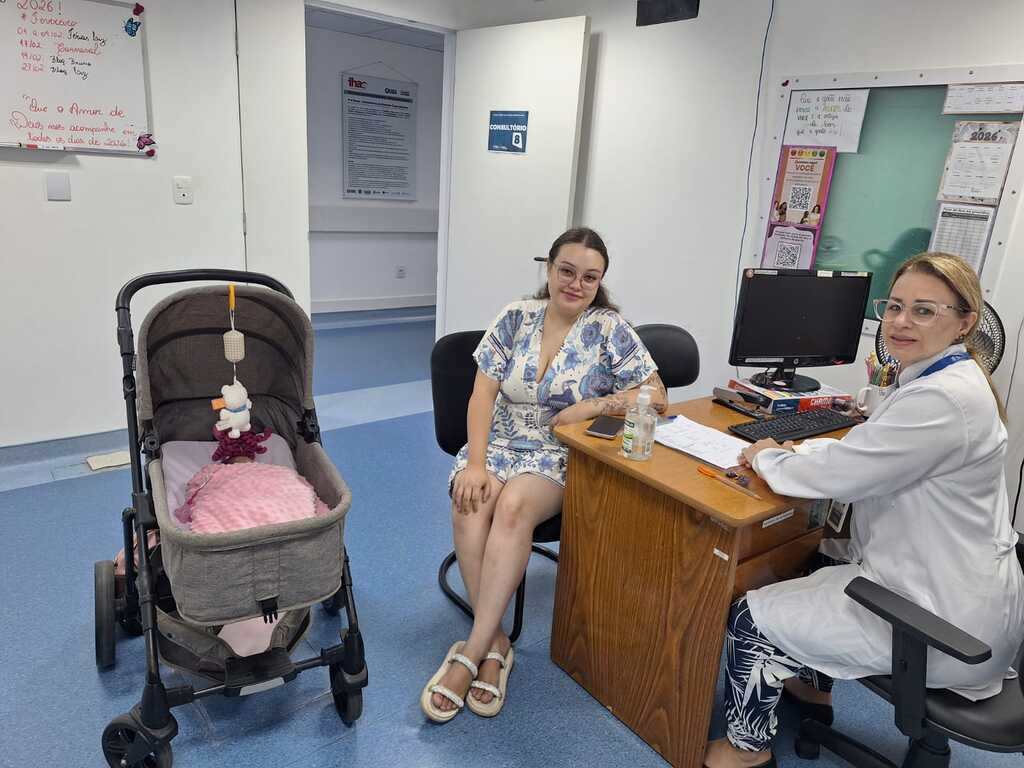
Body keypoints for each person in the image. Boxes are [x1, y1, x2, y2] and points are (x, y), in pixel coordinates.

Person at [704, 252, 1024, 768]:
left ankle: (746, 751)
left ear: (966, 323)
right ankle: (812, 693)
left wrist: (767, 455)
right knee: (816, 562)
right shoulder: (946, 379)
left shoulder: (944, 401)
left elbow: (840, 475)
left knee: (749, 616)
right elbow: (885, 438)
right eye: (894, 306)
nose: (901, 321)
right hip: (962, 599)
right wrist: (852, 422)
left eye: (924, 311)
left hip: (938, 626)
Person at [420, 227, 667, 722]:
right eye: (567, 271)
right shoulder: (516, 317)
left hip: (558, 451)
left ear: (600, 282)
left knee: (513, 506)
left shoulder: (609, 328)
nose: (576, 284)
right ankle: (494, 645)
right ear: (550, 269)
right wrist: (475, 463)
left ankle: (471, 652)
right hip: (498, 441)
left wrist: (594, 406)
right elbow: (482, 395)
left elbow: (657, 396)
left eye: (589, 277)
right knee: (470, 502)